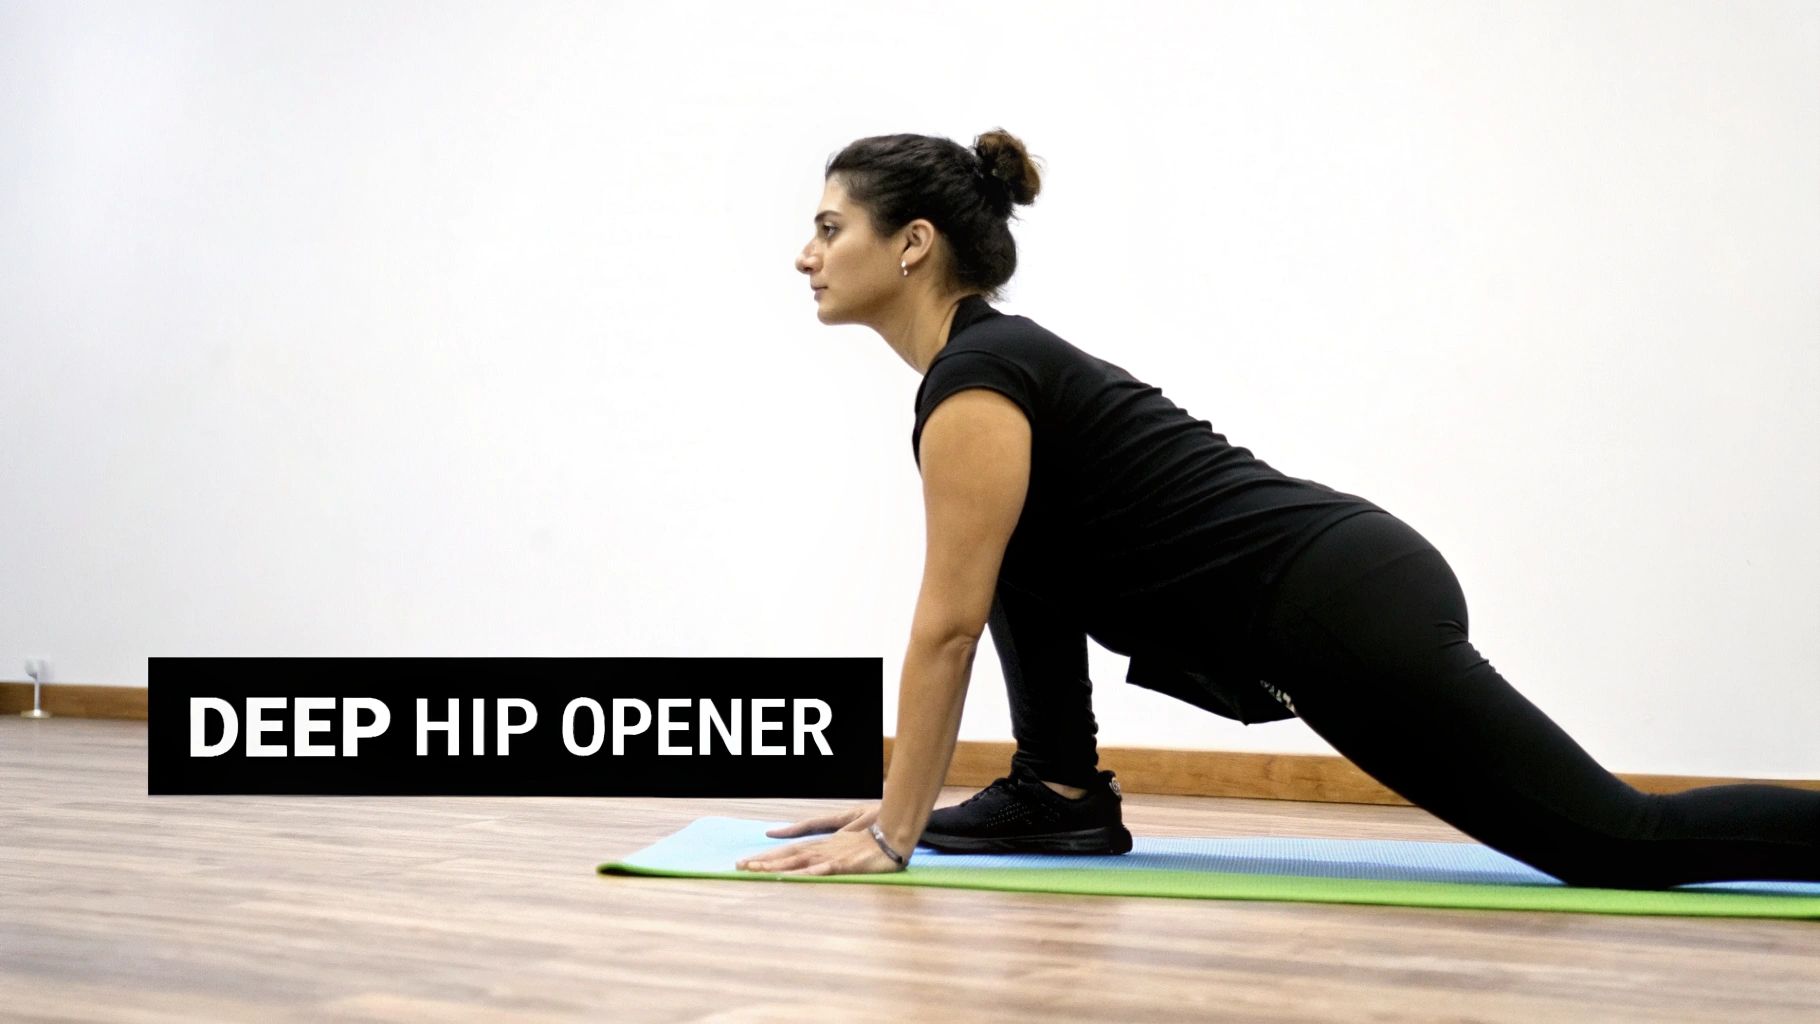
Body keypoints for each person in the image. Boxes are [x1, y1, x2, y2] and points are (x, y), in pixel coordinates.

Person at [734, 129, 1820, 889]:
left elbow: (947, 625)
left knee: (1621, 842)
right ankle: (1056, 789)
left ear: (912, 242)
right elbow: (1015, 578)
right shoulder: (984, 377)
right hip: (1335, 591)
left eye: (830, 226)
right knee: (1014, 545)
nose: (805, 253)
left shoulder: (977, 382)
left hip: (1337, 605)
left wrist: (893, 827)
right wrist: (987, 794)